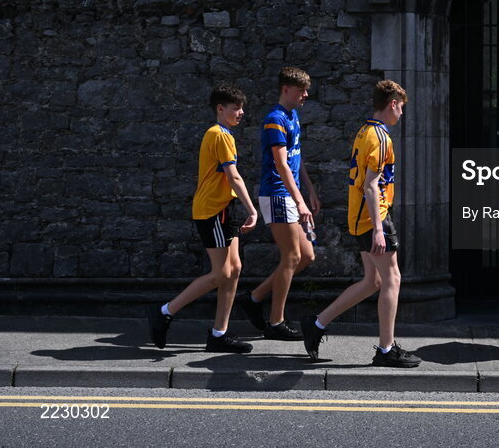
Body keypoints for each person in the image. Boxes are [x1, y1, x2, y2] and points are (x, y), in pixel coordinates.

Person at [301, 80, 421, 367]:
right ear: (392, 103)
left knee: (373, 281)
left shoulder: (364, 131)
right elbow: (371, 186)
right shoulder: (380, 137)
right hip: (373, 216)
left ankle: (317, 324)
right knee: (393, 279)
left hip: (360, 217)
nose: (402, 114)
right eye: (401, 107)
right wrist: (379, 229)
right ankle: (385, 349)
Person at [145, 84, 258, 353]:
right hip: (212, 211)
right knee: (220, 273)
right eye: (236, 108)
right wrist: (252, 210)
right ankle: (165, 312)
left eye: (242, 108)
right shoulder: (219, 135)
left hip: (223, 209)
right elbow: (234, 176)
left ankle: (219, 334)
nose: (241, 113)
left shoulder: (223, 134)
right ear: (221, 109)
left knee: (235, 270)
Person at [235, 66, 321, 341]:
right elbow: (282, 165)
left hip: (290, 195)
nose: (306, 95)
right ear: (286, 90)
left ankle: (254, 297)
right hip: (277, 194)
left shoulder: (292, 116)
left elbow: (296, 158)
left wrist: (310, 191)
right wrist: (300, 201)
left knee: (306, 256)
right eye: (301, 90)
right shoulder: (274, 119)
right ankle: (276, 322)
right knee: (292, 257)